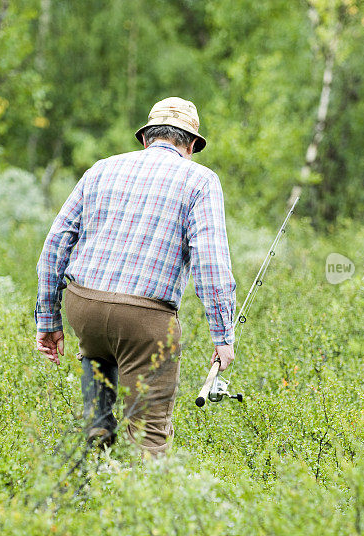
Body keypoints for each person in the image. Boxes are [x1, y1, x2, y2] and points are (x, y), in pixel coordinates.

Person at [35, 97, 236, 455]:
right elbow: (212, 265)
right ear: (191, 145)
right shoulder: (201, 180)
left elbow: (55, 244)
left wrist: (49, 320)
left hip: (85, 309)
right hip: (145, 320)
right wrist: (223, 336)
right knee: (149, 436)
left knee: (98, 399)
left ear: (146, 139)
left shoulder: (101, 169)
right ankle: (142, 496)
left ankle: (93, 451)